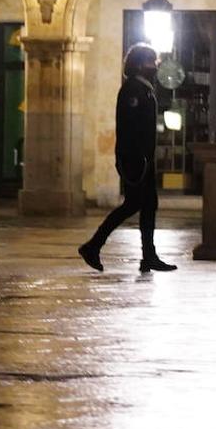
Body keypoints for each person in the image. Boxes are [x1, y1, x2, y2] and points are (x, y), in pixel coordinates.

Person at [78, 43, 177, 273]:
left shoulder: (144, 88)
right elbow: (129, 128)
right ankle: (93, 246)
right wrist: (132, 158)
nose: (155, 66)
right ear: (140, 64)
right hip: (136, 159)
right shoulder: (133, 89)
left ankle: (148, 256)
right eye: (151, 62)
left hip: (144, 158)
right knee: (132, 205)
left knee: (149, 205)